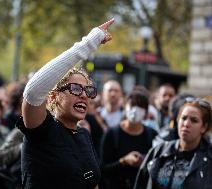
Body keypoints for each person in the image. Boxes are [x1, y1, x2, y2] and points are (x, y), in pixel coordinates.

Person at [15, 19, 114, 189]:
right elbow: (32, 92)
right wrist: (88, 43)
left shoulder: (83, 134)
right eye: (75, 88)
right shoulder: (41, 130)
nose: (84, 95)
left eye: (88, 90)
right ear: (53, 97)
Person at [134, 97, 212, 189]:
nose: (186, 124)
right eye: (183, 118)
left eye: (194, 120)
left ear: (204, 127)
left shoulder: (209, 158)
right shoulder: (159, 151)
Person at [100, 90, 157, 189]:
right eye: (132, 105)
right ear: (125, 107)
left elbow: (156, 167)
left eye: (140, 107)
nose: (135, 110)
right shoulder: (112, 134)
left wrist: (145, 161)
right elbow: (102, 168)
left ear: (146, 112)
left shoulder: (152, 135)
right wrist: (124, 161)